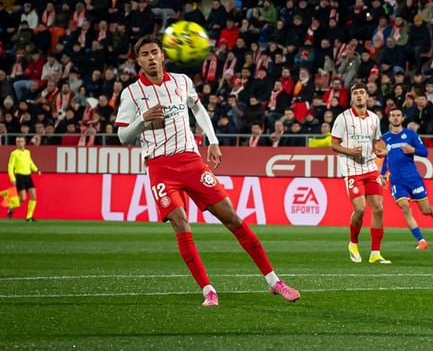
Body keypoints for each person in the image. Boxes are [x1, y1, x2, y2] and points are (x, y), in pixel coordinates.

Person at [115, 35, 301, 307]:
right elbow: (122, 136)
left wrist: (212, 140)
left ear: (162, 55)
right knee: (181, 222)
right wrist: (141, 121)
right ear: (139, 61)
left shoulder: (182, 82)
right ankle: (208, 289)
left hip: (191, 161)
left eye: (155, 52)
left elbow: (198, 109)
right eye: (145, 54)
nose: (151, 58)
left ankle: (274, 281)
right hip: (160, 167)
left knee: (232, 218)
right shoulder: (131, 94)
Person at [330, 82, 389, 264]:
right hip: (351, 169)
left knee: (378, 208)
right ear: (352, 97)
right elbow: (334, 144)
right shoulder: (343, 118)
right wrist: (349, 151)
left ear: (367, 96)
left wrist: (382, 150)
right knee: (361, 209)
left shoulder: (374, 118)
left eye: (362, 92)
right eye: (355, 93)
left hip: (370, 168)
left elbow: (378, 142)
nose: (359, 96)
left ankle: (375, 253)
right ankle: (353, 243)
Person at [379, 108, 433, 249]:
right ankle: (421, 241)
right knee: (405, 207)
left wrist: (412, 150)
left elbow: (425, 152)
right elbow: (385, 157)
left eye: (398, 116)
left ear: (402, 118)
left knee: (424, 210)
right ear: (389, 118)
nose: (395, 118)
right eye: (393, 116)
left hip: (413, 178)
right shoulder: (385, 138)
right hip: (396, 180)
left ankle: (429, 209)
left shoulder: (410, 134)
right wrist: (382, 174)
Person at [7, 136, 39, 221]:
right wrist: (12, 178)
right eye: (18, 142)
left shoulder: (27, 152)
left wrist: (36, 170)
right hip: (19, 176)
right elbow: (10, 167)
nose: (19, 143)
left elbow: (30, 162)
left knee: (33, 197)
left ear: (24, 143)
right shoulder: (14, 153)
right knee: (23, 198)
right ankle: (12, 206)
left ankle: (29, 217)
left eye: (21, 141)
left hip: (28, 176)